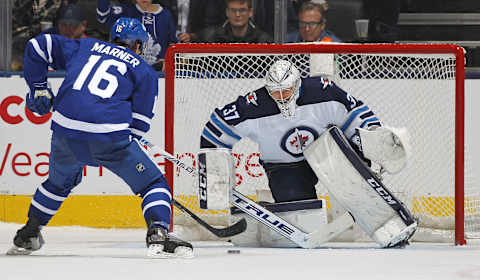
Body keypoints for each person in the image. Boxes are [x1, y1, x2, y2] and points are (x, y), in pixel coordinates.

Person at [7, 17, 193, 259]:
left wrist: (39, 87)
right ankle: (157, 232)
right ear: (138, 44)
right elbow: (138, 127)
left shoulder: (85, 46)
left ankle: (28, 233)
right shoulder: (144, 71)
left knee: (58, 183)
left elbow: (37, 46)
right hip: (108, 139)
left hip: (65, 132)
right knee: (153, 184)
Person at [96, 0, 178, 71]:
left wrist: (168, 60)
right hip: (131, 69)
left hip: (160, 73)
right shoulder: (125, 11)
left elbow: (172, 43)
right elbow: (103, 16)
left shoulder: (166, 15)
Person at [198, 0, 272, 43]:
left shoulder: (263, 40)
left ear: (250, 12)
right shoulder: (210, 38)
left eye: (242, 10)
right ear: (227, 12)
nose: (237, 15)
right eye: (233, 10)